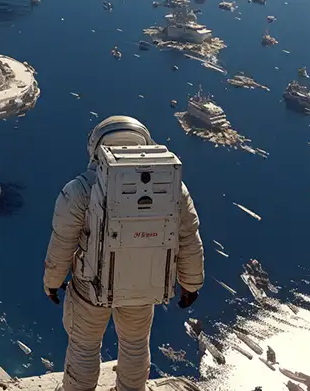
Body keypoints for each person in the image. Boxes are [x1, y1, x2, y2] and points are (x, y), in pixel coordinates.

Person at [43, 116, 204, 391]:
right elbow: (188, 237)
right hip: (142, 287)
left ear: (96, 146)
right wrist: (191, 284)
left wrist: (52, 282)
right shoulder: (173, 186)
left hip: (89, 288)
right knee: (135, 346)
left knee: (84, 347)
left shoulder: (80, 190)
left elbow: (62, 243)